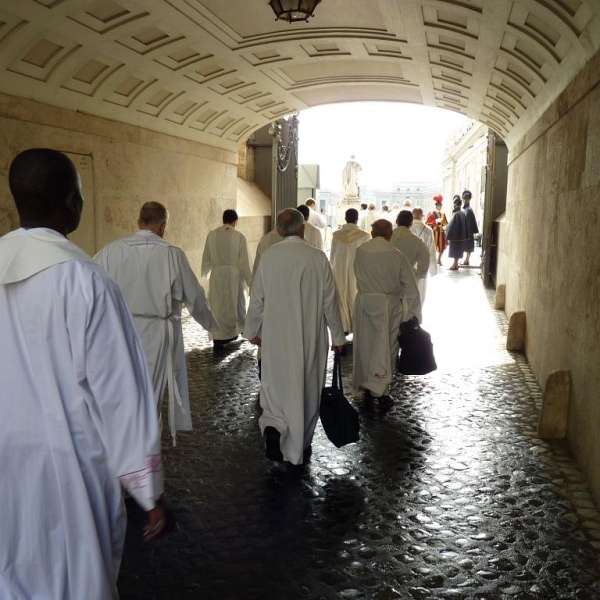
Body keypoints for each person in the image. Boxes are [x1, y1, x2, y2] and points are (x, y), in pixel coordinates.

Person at [0, 148, 168, 599]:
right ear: (72, 202)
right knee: (75, 576)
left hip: (4, 460)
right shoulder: (85, 281)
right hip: (69, 461)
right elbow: (120, 395)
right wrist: (147, 490)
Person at [94, 202, 218, 443]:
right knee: (149, 395)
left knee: (122, 389)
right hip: (155, 335)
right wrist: (211, 325)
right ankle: (141, 451)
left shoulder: (111, 251)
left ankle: (120, 444)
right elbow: (194, 295)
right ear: (163, 227)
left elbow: (91, 285)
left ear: (139, 223)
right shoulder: (172, 254)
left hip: (119, 330)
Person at [244, 208, 346, 466]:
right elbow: (329, 302)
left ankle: (274, 426)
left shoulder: (268, 257)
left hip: (276, 334)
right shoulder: (317, 258)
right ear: (303, 229)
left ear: (278, 231)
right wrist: (337, 336)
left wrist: (252, 332)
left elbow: (257, 299)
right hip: (309, 335)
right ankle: (302, 444)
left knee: (275, 385)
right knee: (308, 386)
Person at [353, 219, 421, 408]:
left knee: (366, 344)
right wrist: (413, 313)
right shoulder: (396, 255)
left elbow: (356, 273)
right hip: (388, 305)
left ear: (372, 233)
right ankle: (381, 391)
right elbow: (410, 285)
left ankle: (367, 383)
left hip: (365, 302)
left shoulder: (360, 251)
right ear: (390, 235)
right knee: (387, 346)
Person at [202, 209, 252, 348]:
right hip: (234, 276)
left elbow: (206, 257)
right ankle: (239, 331)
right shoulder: (239, 236)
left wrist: (206, 272)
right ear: (235, 221)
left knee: (218, 305)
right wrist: (250, 281)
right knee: (237, 304)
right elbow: (244, 262)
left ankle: (218, 336)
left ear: (223, 220)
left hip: (217, 274)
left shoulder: (212, 235)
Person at [330, 208, 370, 334]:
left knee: (341, 297)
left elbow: (332, 257)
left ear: (345, 218)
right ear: (357, 219)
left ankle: (343, 326)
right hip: (357, 271)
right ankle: (356, 326)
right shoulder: (364, 235)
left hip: (339, 270)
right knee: (355, 296)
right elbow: (367, 256)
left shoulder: (336, 235)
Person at [390, 210, 430, 285]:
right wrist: (414, 275)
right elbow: (424, 267)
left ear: (396, 221)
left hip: (386, 281)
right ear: (411, 223)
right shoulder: (417, 242)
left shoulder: (386, 238)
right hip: (407, 284)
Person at [411, 207, 438, 306]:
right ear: (422, 216)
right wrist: (433, 269)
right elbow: (431, 249)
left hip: (409, 262)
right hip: (423, 263)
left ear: (412, 215)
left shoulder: (407, 228)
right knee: (421, 288)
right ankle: (419, 310)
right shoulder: (428, 230)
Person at [446, 196, 469, 270]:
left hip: (456, 236)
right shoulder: (462, 213)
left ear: (455, 205)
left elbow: (452, 225)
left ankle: (455, 264)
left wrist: (446, 228)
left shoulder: (457, 214)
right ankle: (455, 264)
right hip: (461, 236)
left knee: (455, 251)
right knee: (458, 251)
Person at [426, 195, 448, 265]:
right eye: (438, 205)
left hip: (441, 232)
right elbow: (427, 223)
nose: (439, 206)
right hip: (434, 232)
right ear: (436, 206)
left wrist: (445, 226)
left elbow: (445, 223)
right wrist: (435, 221)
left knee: (442, 247)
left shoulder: (443, 214)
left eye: (440, 205)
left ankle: (439, 259)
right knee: (433, 247)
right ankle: (432, 260)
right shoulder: (432, 214)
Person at [461, 190, 479, 266]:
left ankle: (467, 259)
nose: (463, 201)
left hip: (468, 231)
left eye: (464, 199)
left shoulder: (468, 210)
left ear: (467, 200)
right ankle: (466, 259)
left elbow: (468, 222)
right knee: (466, 246)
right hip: (466, 231)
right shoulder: (466, 209)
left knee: (468, 246)